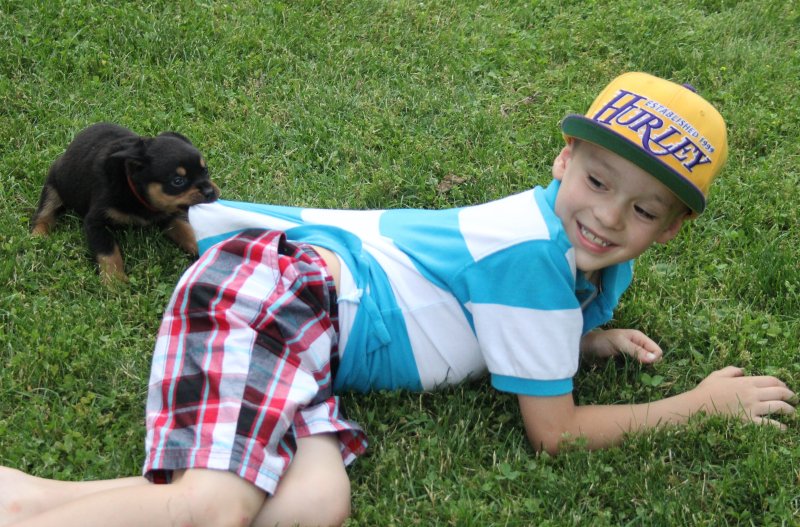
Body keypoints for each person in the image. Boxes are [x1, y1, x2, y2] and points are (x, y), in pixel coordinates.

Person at [2, 72, 795, 527]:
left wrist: (580, 343)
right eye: (596, 179)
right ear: (563, 159)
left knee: (315, 502)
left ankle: (30, 498)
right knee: (213, 505)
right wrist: (699, 404)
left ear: (673, 227)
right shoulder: (531, 255)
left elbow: (492, 318)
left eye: (644, 208)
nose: (610, 217)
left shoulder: (550, 255)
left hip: (311, 336)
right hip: (278, 294)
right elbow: (557, 434)